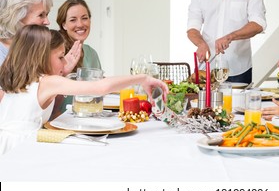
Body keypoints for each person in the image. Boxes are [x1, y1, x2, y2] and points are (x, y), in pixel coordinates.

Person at [0, 25, 168, 155]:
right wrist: (142, 78)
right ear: (40, 57)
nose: (65, 63)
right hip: (19, 148)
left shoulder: (19, 79)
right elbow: (100, 87)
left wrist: (62, 70)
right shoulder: (48, 83)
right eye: (60, 57)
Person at [0, 0, 81, 72]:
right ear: (17, 17)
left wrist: (62, 70)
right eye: (41, 15)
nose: (47, 22)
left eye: (46, 15)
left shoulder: (32, 50)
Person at [56, 0, 101, 72]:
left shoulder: (92, 53)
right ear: (64, 25)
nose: (80, 24)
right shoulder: (56, 51)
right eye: (73, 20)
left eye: (84, 18)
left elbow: (99, 82)